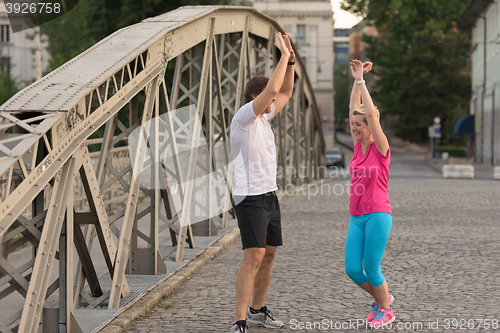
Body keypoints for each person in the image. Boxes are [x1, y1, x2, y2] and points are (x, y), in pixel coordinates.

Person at [229, 32, 295, 333]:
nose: (272, 103)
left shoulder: (265, 119)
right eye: (266, 97)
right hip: (249, 196)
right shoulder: (244, 118)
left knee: (269, 254)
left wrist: (291, 61)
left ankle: (257, 311)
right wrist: (280, 57)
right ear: (255, 98)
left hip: (269, 193)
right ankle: (239, 320)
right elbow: (273, 92)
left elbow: (286, 93)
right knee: (253, 255)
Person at [344, 59, 395, 328]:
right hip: (357, 216)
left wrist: (363, 81)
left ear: (370, 127)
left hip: (378, 213)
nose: (354, 127)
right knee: (353, 268)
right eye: (352, 124)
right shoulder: (356, 149)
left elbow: (371, 115)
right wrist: (355, 79)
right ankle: (382, 297)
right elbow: (355, 108)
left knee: (372, 268)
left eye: (359, 124)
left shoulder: (380, 149)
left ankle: (385, 309)